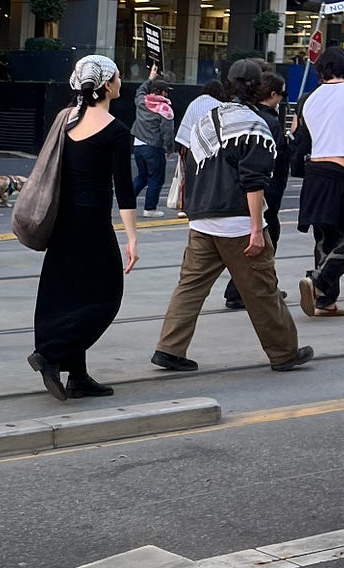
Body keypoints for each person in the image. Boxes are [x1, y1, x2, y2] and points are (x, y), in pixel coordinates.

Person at [151, 58, 312, 375]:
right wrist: (256, 229)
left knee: (190, 286)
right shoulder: (254, 124)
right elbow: (254, 181)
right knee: (262, 289)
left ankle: (169, 348)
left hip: (202, 219)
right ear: (259, 88)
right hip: (237, 221)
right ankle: (284, 353)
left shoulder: (207, 118)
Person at [29, 55, 137, 401]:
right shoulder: (116, 131)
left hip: (62, 221)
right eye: (117, 76)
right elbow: (124, 191)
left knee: (65, 294)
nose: (120, 81)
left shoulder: (66, 119)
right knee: (106, 296)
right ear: (106, 85)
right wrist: (132, 238)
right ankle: (50, 354)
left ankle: (77, 376)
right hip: (92, 223)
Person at [295, 46, 344, 319]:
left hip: (315, 172)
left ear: (321, 70)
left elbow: (302, 138)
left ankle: (325, 301)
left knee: (326, 236)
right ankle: (318, 281)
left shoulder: (307, 99)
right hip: (343, 173)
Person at [224, 69, 290, 310]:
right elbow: (270, 159)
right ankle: (244, 291)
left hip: (246, 188)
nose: (282, 99)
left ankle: (255, 289)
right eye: (282, 94)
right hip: (265, 189)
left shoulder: (245, 114)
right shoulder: (268, 121)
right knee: (263, 239)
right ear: (272, 94)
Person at [131, 69, 175, 213]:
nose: (167, 94)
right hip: (154, 148)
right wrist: (170, 149)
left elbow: (140, 91)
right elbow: (167, 132)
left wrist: (150, 78)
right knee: (156, 178)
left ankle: (127, 201)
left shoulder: (142, 101)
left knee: (142, 176)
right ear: (162, 92)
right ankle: (150, 209)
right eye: (166, 92)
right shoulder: (165, 109)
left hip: (138, 146)